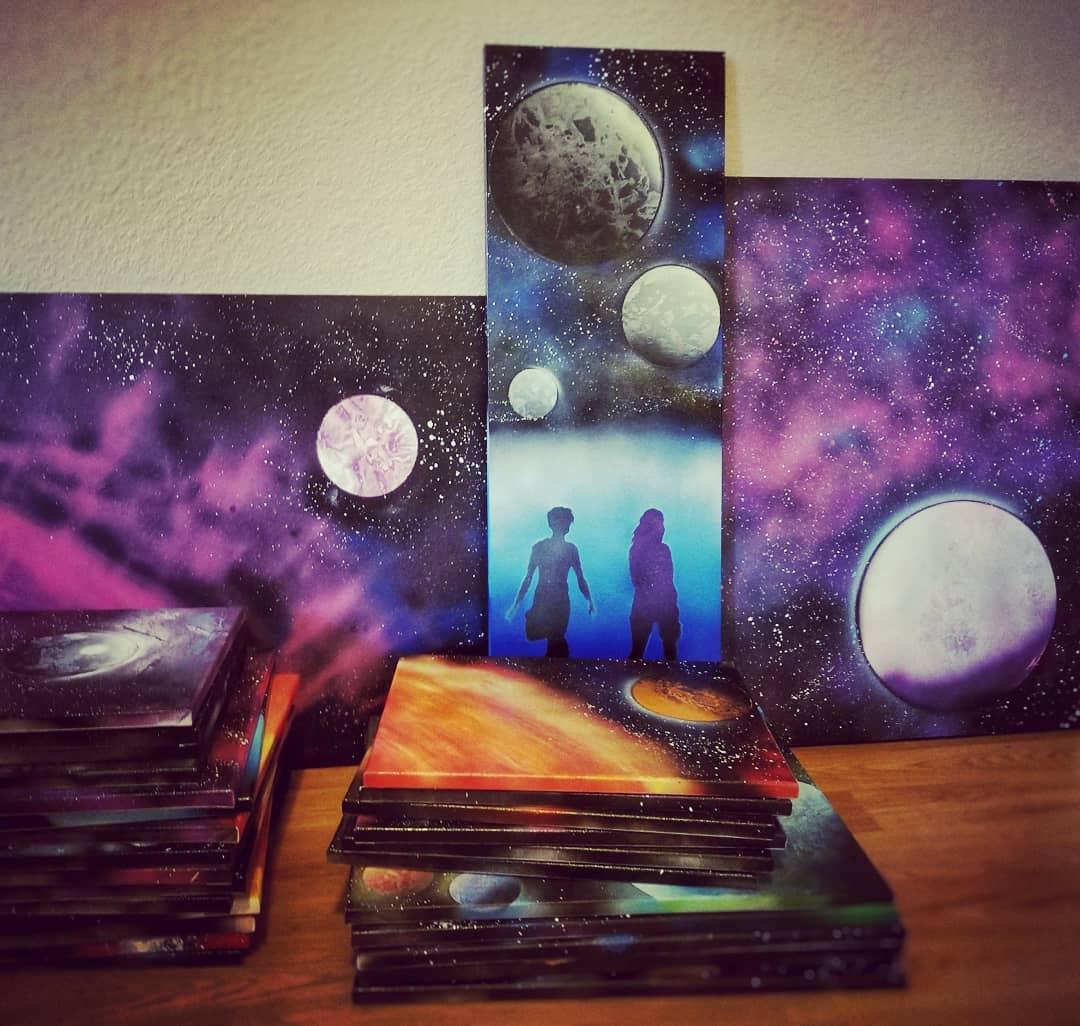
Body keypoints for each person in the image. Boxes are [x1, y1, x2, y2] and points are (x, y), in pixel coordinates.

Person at [506, 506, 594, 657]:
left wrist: (589, 600)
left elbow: (580, 578)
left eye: (566, 521)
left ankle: (557, 661)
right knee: (542, 636)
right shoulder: (540, 548)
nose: (565, 525)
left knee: (556, 639)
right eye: (562, 521)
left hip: (560, 599)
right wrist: (516, 603)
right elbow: (528, 577)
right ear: (552, 524)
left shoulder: (570, 549)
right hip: (544, 597)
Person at [628, 508, 680, 660]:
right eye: (659, 524)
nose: (663, 528)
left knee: (642, 652)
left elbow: (667, 580)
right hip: (653, 605)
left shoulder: (658, 549)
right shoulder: (643, 550)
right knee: (665, 652)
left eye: (662, 524)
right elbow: (638, 579)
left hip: (656, 605)